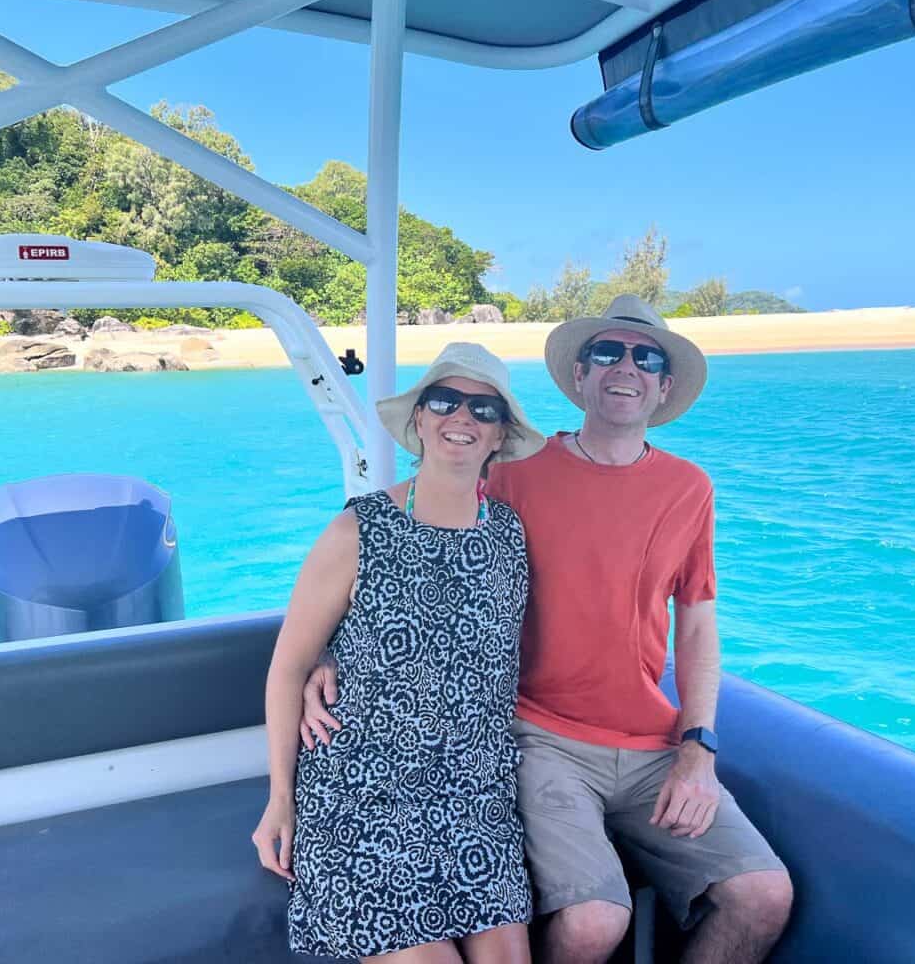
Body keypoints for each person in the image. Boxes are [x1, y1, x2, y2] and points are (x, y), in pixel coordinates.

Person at [303, 297, 793, 964]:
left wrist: (697, 747)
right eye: (607, 353)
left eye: (645, 358)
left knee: (764, 894)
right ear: (580, 376)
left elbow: (698, 623)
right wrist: (329, 650)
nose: (627, 368)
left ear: (664, 385)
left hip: (653, 744)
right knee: (593, 924)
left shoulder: (689, 488)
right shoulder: (511, 473)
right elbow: (411, 552)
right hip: (541, 736)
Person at [253, 342, 547, 963]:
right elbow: (288, 668)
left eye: (483, 408)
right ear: (419, 420)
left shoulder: (509, 536)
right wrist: (280, 799)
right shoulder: (358, 529)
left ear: (500, 436)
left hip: (475, 799)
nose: (461, 418)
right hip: (365, 797)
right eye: (444, 401)